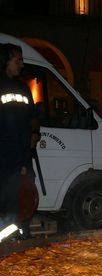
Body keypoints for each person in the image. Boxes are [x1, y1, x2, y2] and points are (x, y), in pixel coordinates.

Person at [0, 43, 39, 238]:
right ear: (6, 61)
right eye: (18, 60)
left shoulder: (24, 88)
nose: (22, 64)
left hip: (23, 157)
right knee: (7, 204)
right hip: (4, 159)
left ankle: (21, 240)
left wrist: (35, 133)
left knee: (25, 201)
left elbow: (33, 117)